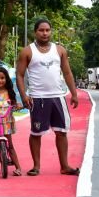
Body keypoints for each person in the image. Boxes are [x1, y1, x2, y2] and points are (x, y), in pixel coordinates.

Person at [16, 18, 80, 176]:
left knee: (62, 132)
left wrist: (74, 93)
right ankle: (36, 166)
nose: (45, 33)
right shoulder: (27, 51)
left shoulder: (60, 50)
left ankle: (64, 166)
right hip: (38, 99)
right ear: (35, 32)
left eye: (47, 30)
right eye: (41, 30)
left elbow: (67, 73)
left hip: (58, 97)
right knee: (36, 133)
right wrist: (24, 95)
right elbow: (19, 74)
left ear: (51, 32)